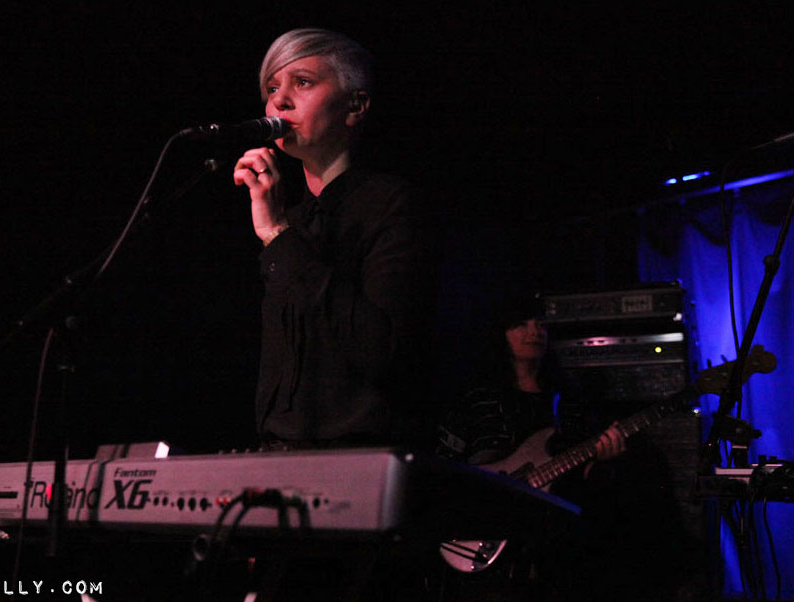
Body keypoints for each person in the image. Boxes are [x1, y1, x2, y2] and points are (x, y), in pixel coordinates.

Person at [233, 28, 437, 450]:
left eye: (302, 82)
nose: (279, 100)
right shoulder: (291, 218)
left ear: (355, 105)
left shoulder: (392, 204)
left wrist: (277, 235)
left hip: (359, 453)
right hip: (279, 454)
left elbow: (382, 350)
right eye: (272, 88)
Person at [436, 294, 627, 601]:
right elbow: (444, 467)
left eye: (540, 324)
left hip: (554, 547)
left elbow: (586, 482)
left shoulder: (568, 402)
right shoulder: (475, 398)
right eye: (521, 324)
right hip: (486, 541)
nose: (534, 331)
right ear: (501, 334)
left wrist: (605, 462)